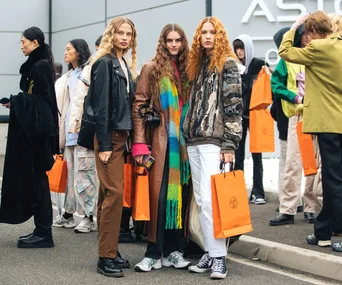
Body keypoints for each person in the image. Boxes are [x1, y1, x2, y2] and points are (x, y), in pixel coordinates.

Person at [183, 16, 242, 279]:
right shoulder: (198, 64)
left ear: (220, 36)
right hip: (194, 140)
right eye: (203, 33)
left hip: (214, 141)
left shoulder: (227, 64)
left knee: (210, 201)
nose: (207, 37)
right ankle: (210, 251)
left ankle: (219, 258)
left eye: (212, 33)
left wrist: (230, 144)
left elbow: (233, 108)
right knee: (201, 199)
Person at [278, 11, 342, 251]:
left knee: (334, 181)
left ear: (313, 31)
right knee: (334, 178)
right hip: (339, 121)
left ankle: (335, 231)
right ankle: (323, 232)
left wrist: (293, 26)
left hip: (329, 125)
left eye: (307, 32)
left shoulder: (319, 48)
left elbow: (285, 53)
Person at [132, 23, 191, 272]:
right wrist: (139, 143)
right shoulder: (151, 69)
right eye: (170, 40)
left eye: (178, 40)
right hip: (159, 142)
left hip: (184, 146)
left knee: (179, 197)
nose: (174, 45)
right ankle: (153, 253)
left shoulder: (189, 70)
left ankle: (174, 251)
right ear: (163, 42)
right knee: (159, 195)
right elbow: (139, 105)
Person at [86, 16, 137, 277]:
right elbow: (101, 105)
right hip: (110, 139)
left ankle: (111, 250)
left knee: (108, 195)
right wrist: (105, 142)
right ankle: (105, 257)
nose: (125, 38)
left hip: (120, 138)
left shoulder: (121, 63)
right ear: (111, 35)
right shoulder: (105, 63)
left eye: (129, 34)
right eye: (120, 33)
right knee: (115, 194)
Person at [0, 27, 59, 248]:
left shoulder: (40, 67)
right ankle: (41, 230)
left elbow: (44, 106)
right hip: (35, 135)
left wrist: (17, 102)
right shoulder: (37, 66)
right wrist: (15, 102)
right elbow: (36, 101)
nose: (21, 45)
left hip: (38, 137)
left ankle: (44, 233)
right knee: (36, 181)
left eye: (24, 41)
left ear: (35, 42)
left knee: (39, 181)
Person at [270, 25, 317, 226]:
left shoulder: (320, 54)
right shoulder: (288, 58)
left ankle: (311, 208)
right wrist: (294, 97)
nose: (308, 37)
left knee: (314, 165)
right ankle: (288, 209)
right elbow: (275, 84)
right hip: (297, 116)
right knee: (293, 163)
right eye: (305, 33)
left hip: (319, 116)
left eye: (312, 33)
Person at [53, 39, 98, 233]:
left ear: (78, 52)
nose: (65, 52)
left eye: (68, 49)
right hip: (70, 133)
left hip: (83, 133)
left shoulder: (88, 72)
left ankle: (89, 218)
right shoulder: (68, 76)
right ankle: (69, 214)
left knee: (85, 176)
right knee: (71, 178)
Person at [232, 35, 266, 205]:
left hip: (256, 115)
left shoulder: (259, 65)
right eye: (237, 48)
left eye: (242, 48)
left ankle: (258, 192)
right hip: (239, 117)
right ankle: (238, 191)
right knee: (238, 155)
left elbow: (267, 88)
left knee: (257, 156)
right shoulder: (234, 66)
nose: (239, 52)